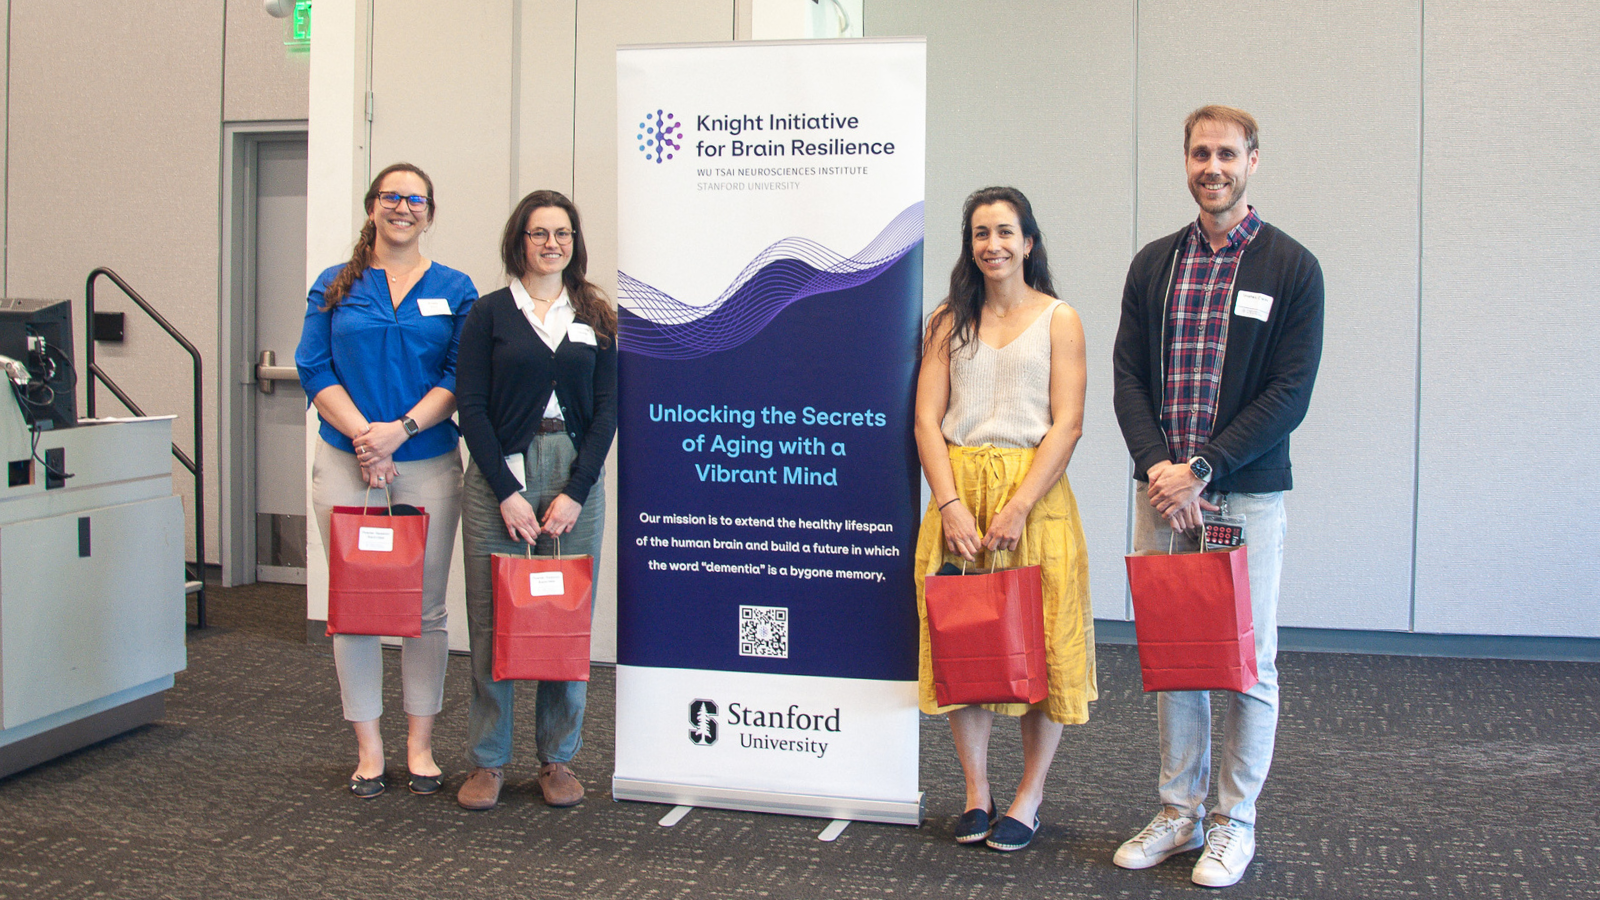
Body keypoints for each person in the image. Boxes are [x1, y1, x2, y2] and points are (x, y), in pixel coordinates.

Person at [1110, 105, 1324, 887]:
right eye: (1200, 153)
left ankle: (1234, 822)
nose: (1213, 167)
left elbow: (1289, 393)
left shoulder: (1292, 268)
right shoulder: (1154, 265)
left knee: (1247, 663)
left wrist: (1201, 468)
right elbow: (1129, 376)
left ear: (1253, 161)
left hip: (1241, 498)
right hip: (1163, 495)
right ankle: (1179, 812)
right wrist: (1159, 469)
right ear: (1187, 162)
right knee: (1175, 657)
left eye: (1227, 154)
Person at [912, 186, 1096, 853]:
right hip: (960, 503)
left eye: (1006, 231)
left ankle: (1029, 795)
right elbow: (925, 421)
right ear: (971, 245)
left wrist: (1019, 505)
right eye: (981, 232)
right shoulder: (946, 321)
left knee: (1037, 648)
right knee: (968, 648)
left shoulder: (1060, 318)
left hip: (1034, 502)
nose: (993, 244)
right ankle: (975, 791)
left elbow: (1068, 423)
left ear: (1029, 242)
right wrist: (950, 504)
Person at [295, 162, 477, 799]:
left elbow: (460, 375)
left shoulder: (456, 287)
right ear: (373, 206)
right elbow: (312, 365)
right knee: (356, 611)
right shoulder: (334, 285)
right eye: (392, 197)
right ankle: (369, 748)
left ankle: (420, 745)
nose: (404, 207)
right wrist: (365, 440)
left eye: (416, 199)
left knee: (425, 611)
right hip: (346, 463)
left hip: (425, 460)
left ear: (430, 211)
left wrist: (397, 431)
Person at [452, 190, 617, 812]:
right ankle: (490, 761)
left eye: (564, 233)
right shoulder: (489, 314)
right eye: (539, 232)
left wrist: (576, 491)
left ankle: (557, 759)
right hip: (500, 478)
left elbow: (606, 411)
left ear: (575, 243)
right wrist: (507, 492)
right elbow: (470, 406)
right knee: (492, 617)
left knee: (563, 617)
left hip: (573, 474)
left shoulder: (596, 315)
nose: (552, 243)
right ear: (518, 241)